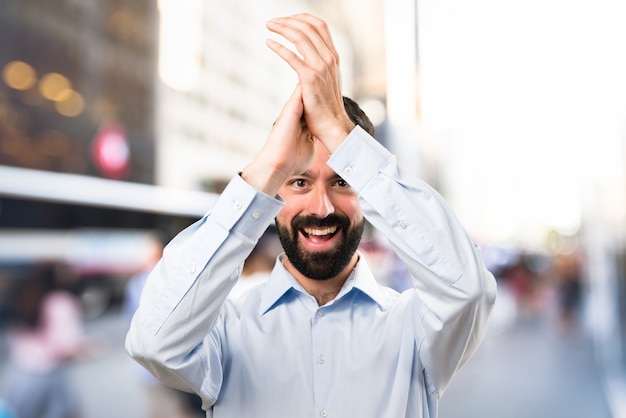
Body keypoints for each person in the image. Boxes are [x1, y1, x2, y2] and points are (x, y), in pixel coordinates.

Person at [126, 13, 497, 418]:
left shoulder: (414, 328)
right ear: (273, 193)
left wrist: (341, 132)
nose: (321, 208)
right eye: (299, 182)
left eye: (342, 181)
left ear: (367, 192)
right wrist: (266, 167)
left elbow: (469, 290)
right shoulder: (226, 330)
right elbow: (153, 342)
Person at [0, 261, 97, 418]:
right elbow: (66, 346)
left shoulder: (27, 296)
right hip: (48, 376)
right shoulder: (61, 302)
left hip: (19, 373)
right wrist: (91, 348)